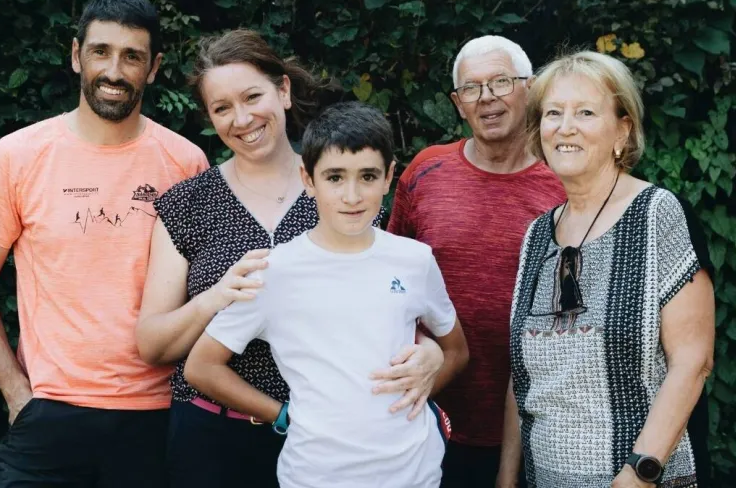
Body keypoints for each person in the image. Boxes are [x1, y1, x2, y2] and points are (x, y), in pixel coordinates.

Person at [135, 30, 447, 488]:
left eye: (252, 97)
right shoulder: (188, 204)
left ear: (283, 91)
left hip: (335, 444)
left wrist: (433, 354)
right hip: (215, 435)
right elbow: (152, 346)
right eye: (222, 108)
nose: (242, 118)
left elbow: (395, 303)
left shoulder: (342, 186)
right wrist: (216, 297)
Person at [0, 0, 208, 488]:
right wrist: (15, 391)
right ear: (76, 55)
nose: (114, 71)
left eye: (132, 56)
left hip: (154, 418)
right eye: (100, 52)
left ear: (154, 68)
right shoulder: (19, 155)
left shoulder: (185, 163)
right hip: (49, 413)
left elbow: (202, 294)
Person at [184, 101, 470, 488]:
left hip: (413, 473)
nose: (352, 195)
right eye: (335, 177)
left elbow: (456, 352)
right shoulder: (275, 271)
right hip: (315, 475)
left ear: (389, 177)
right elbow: (201, 366)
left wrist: (422, 385)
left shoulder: (415, 260)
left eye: (367, 176)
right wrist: (281, 414)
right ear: (308, 178)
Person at [500, 51, 715, 488]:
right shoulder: (537, 235)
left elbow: (693, 361)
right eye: (553, 113)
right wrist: (506, 477)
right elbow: (523, 377)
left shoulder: (657, 215)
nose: (566, 127)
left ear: (622, 130)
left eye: (585, 112)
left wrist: (638, 473)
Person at [387, 35, 566, 487]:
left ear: (530, 88)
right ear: (458, 103)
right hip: (427, 413)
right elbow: (388, 280)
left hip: (537, 424)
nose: (486, 97)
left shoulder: (565, 184)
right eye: (471, 88)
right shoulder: (426, 171)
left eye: (500, 82)